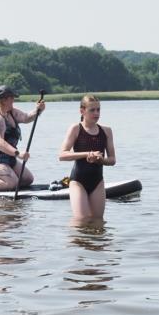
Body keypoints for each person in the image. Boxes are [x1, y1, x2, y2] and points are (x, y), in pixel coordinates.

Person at [0, 85, 45, 190]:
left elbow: (26, 118)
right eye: (12, 98)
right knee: (13, 182)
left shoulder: (11, 112)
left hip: (7, 158)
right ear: (4, 100)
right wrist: (18, 153)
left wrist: (38, 110)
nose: (13, 100)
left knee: (27, 179)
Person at [58, 94, 116, 222]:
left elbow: (112, 160)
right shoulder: (75, 129)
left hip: (97, 182)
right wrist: (86, 154)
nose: (96, 113)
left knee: (98, 221)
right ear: (82, 111)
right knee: (81, 220)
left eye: (98, 110)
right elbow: (62, 155)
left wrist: (100, 160)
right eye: (92, 110)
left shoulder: (107, 131)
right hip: (78, 181)